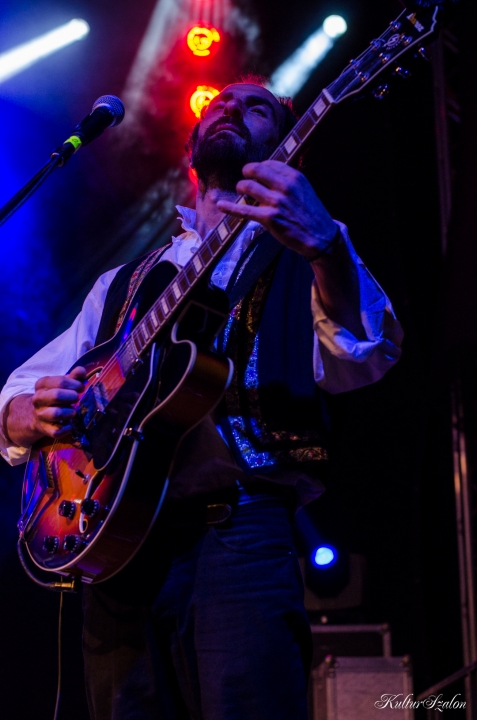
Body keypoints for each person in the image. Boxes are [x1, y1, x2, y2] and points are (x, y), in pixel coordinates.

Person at [0, 81, 403, 720]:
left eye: (257, 107)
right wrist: (24, 414)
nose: (232, 108)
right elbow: (21, 389)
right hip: (115, 544)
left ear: (288, 148)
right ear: (191, 150)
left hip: (238, 532)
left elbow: (365, 353)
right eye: (219, 104)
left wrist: (326, 246)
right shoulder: (122, 282)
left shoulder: (308, 244)